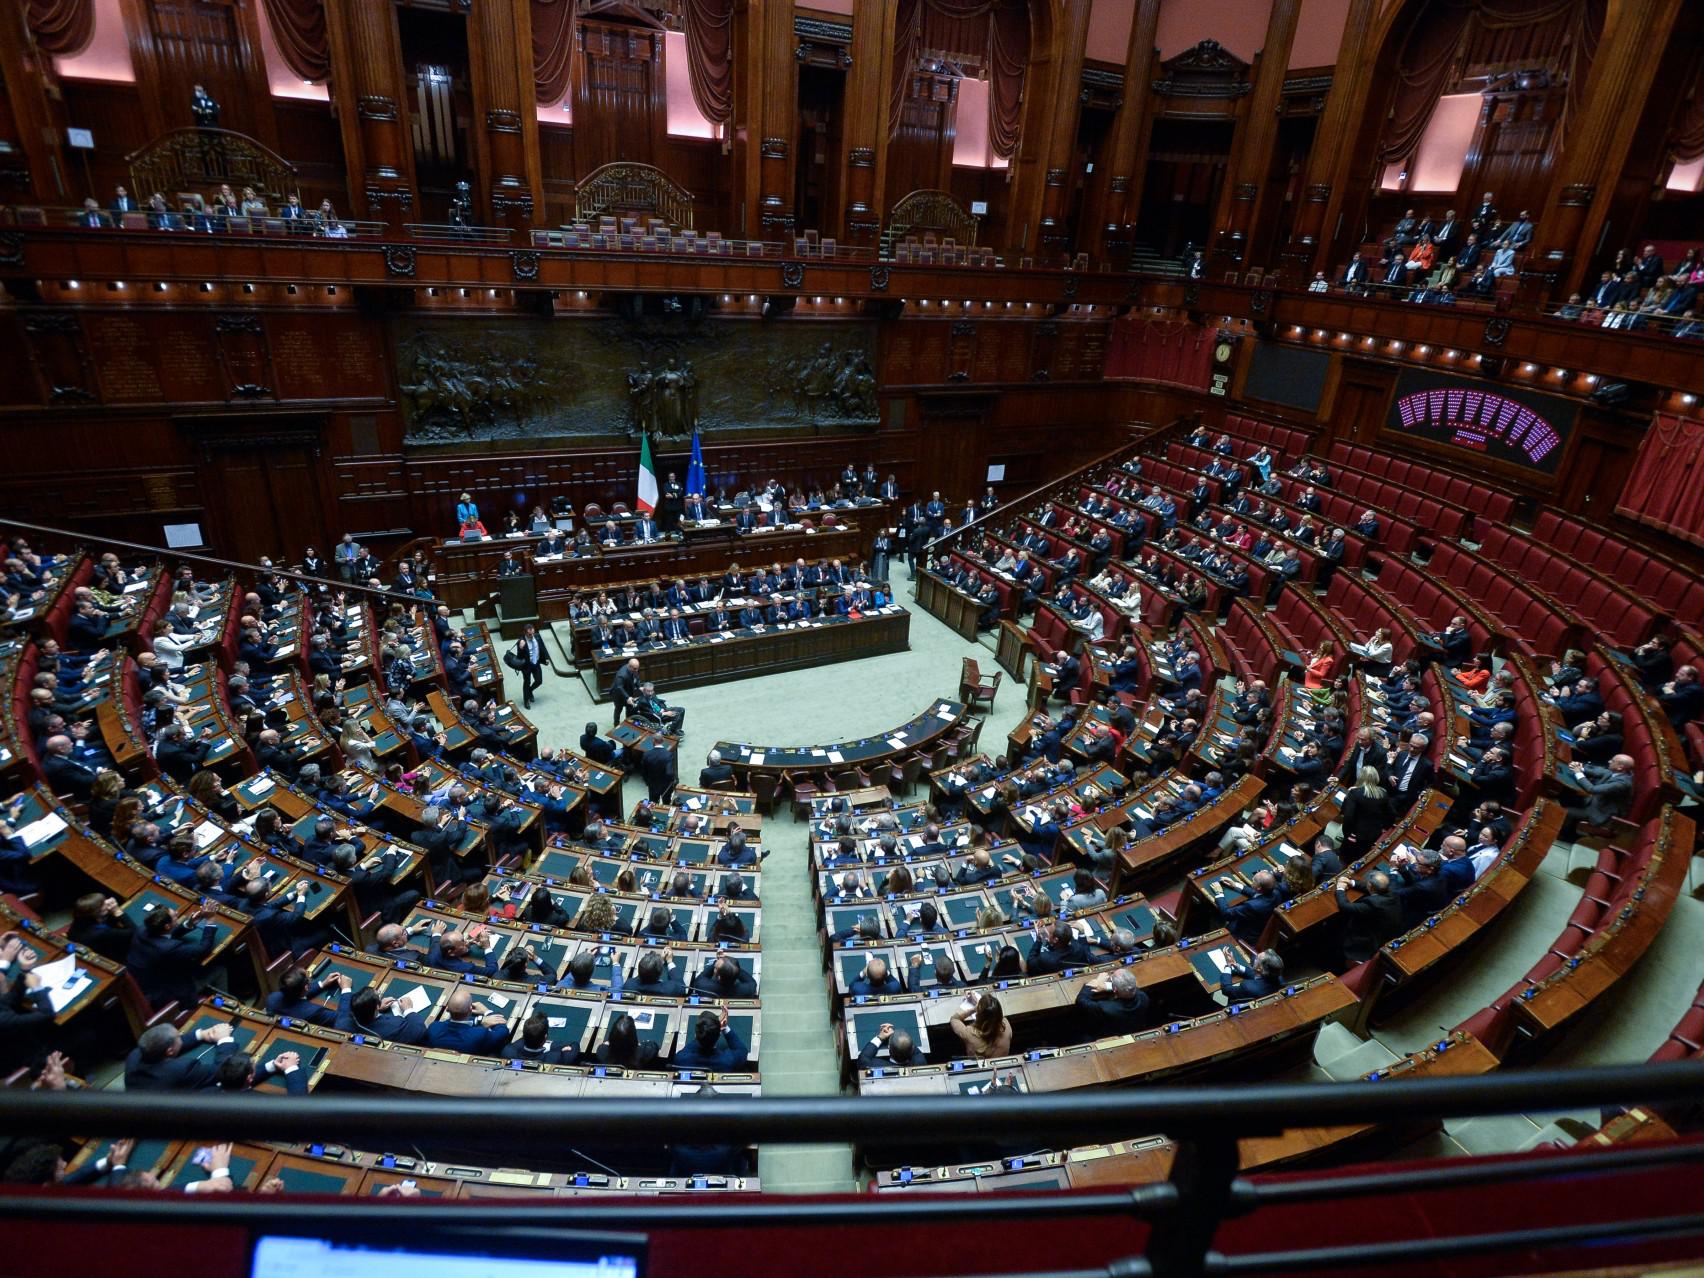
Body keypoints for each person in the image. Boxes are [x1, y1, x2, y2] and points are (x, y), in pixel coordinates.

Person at [1333, 870, 1404, 967]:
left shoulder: (1373, 904)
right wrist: (1352, 883)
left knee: (1337, 927)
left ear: (1370, 885)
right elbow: (1375, 890)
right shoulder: (1392, 892)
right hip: (1384, 933)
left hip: (1365, 941)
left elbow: (1345, 907)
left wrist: (1340, 889)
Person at [1337, 765, 1392, 861]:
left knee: (1345, 859)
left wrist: (1347, 833)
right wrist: (1383, 828)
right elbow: (1391, 814)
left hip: (1355, 834)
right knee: (1361, 859)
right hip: (1373, 835)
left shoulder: (1355, 792)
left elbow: (1348, 815)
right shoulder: (1383, 793)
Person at [1073, 968, 1151, 1035]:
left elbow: (1081, 1001)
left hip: (1110, 1036)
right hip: (1134, 1029)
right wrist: (1109, 986)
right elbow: (1131, 987)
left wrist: (1095, 982)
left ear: (1115, 990)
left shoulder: (1106, 1008)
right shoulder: (1144, 997)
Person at [673, 1006, 748, 1072]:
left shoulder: (681, 1060)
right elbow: (742, 1050)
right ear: (719, 1035)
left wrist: (706, 1031)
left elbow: (687, 1049)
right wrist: (724, 1027)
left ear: (695, 1035)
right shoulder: (727, 1061)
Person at [509, 623, 552, 709]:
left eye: (533, 633)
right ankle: (526, 701)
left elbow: (543, 647)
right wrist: (521, 647)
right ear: (525, 633)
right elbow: (519, 656)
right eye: (529, 634)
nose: (532, 635)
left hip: (536, 663)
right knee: (527, 682)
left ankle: (530, 691)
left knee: (539, 681)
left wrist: (546, 658)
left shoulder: (537, 637)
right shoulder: (521, 641)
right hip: (526, 665)